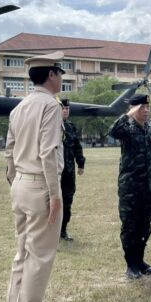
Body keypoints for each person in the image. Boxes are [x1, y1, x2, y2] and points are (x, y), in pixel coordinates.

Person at [3, 51, 67, 302]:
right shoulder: (50, 106)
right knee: (39, 259)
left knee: (22, 257)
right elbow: (48, 152)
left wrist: (14, 180)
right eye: (60, 72)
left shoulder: (20, 107)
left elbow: (9, 151)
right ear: (51, 74)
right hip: (40, 184)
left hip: (20, 184)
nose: (62, 77)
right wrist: (55, 194)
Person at [108, 93, 151, 280]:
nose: (146, 110)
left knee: (144, 226)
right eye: (142, 107)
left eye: (147, 107)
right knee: (130, 226)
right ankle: (131, 265)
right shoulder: (126, 128)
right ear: (134, 109)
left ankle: (140, 261)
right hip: (130, 188)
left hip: (147, 187)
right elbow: (112, 131)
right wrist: (129, 113)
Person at [60, 99, 85, 241]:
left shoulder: (71, 127)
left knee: (67, 201)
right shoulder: (50, 126)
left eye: (67, 108)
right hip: (54, 172)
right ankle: (49, 232)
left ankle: (63, 230)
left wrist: (81, 163)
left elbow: (77, 147)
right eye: (63, 108)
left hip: (69, 172)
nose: (65, 111)